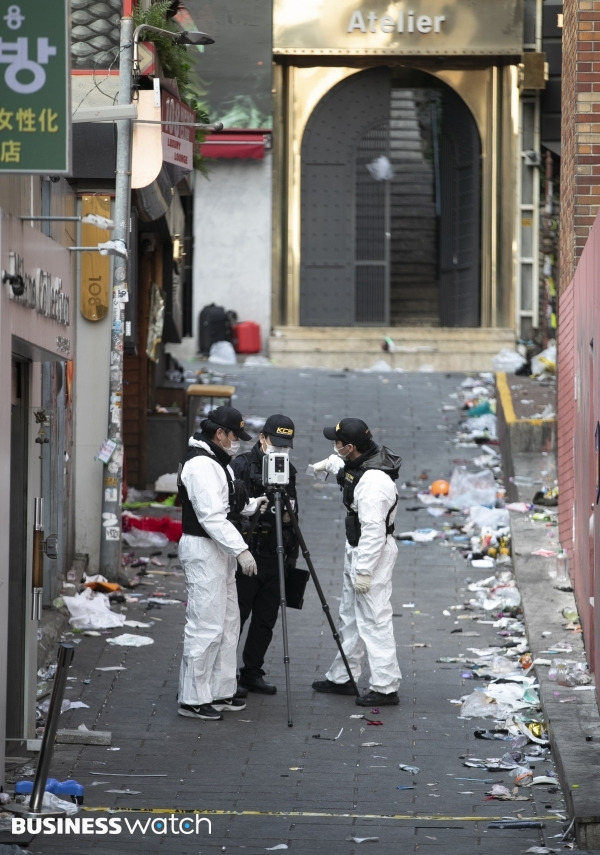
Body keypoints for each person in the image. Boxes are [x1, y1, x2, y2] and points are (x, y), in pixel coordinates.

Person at [177, 406, 267, 722]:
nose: (237, 442)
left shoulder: (218, 463)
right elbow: (211, 516)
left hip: (218, 550)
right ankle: (193, 697)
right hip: (204, 549)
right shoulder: (201, 465)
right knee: (206, 624)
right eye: (234, 436)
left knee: (228, 623)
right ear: (220, 434)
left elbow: (227, 505)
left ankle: (219, 691)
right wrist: (242, 550)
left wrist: (252, 505)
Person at [310, 418, 403, 707]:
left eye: (336, 444)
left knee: (375, 620)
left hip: (371, 554)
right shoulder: (361, 463)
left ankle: (386, 687)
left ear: (350, 447)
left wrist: (363, 570)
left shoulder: (374, 484)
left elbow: (374, 532)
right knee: (349, 616)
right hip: (358, 548)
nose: (334, 446)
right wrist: (330, 465)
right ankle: (343, 676)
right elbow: (348, 472)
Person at [232, 414, 299, 695]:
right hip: (248, 550)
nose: (280, 450)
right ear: (262, 438)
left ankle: (252, 671)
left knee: (266, 618)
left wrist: (286, 517)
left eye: (286, 445)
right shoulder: (241, 465)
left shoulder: (288, 471)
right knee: (236, 617)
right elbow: (229, 510)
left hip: (275, 552)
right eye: (276, 443)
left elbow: (294, 516)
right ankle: (222, 674)